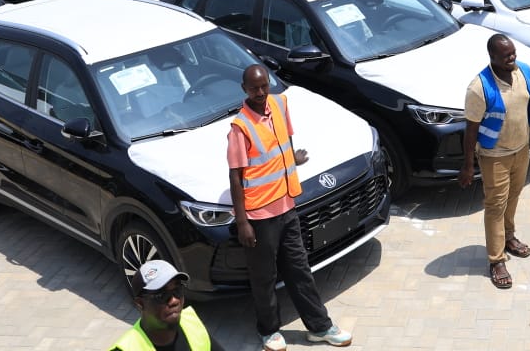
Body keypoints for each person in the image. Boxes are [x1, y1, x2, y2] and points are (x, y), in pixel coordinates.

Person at [228, 65, 353, 350]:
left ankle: (320, 327)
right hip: (260, 216)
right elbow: (235, 177)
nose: (260, 93)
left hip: (287, 207)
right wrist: (243, 221)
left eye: (264, 87)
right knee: (265, 278)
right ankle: (268, 331)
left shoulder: (280, 103)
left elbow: (283, 141)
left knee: (299, 270)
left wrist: (291, 158)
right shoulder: (240, 128)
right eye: (254, 88)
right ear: (244, 89)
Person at [458, 33, 530, 289]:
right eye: (506, 56)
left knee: (514, 196)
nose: (512, 58)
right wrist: (467, 166)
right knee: (495, 205)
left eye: (513, 53)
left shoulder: (524, 72)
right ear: (492, 57)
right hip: (494, 156)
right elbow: (471, 130)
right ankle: (496, 259)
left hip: (521, 149)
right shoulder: (479, 87)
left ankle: (509, 238)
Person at [110, 259, 225, 351]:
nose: (174, 300)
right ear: (140, 303)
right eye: (161, 295)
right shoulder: (127, 348)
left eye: (177, 290)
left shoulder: (191, 323)